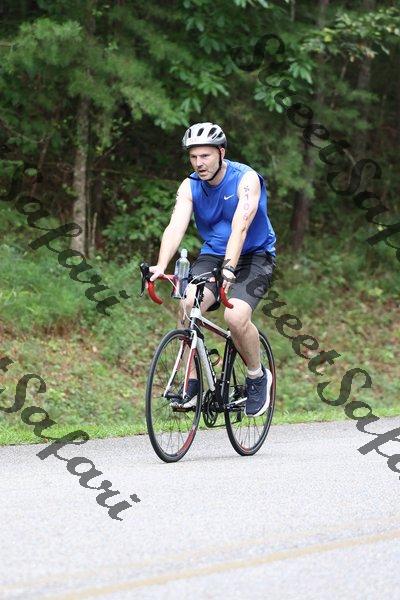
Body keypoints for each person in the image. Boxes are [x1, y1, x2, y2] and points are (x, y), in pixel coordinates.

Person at [149, 122, 276, 417]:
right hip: (213, 255)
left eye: (205, 156)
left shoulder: (246, 180)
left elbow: (240, 227)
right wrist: (161, 265)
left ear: (221, 152)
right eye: (193, 157)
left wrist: (229, 269)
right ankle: (192, 384)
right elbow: (175, 226)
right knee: (188, 302)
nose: (199, 163)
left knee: (235, 317)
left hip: (254, 255)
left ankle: (257, 376)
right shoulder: (190, 185)